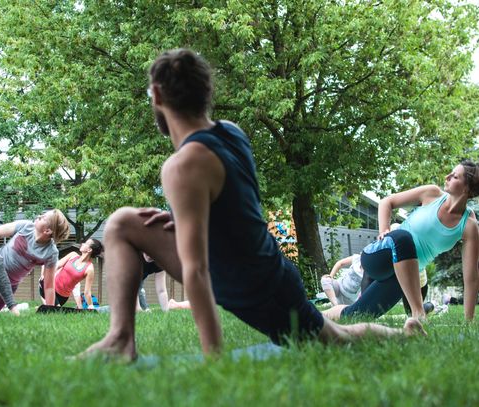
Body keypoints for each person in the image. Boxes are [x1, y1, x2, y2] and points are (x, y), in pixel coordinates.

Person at [79, 48, 423, 361]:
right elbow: (230, 207)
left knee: (335, 339)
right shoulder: (230, 131)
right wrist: (177, 218)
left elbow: (196, 271)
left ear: (156, 95)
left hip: (258, 286)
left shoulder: (182, 166)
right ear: (206, 93)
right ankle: (121, 339)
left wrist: (215, 359)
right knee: (123, 223)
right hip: (249, 267)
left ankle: (404, 336)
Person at [324, 161, 479, 321]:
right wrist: (384, 230)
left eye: (454, 176)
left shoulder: (468, 225)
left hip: (403, 278)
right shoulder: (432, 193)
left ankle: (317, 316)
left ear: (466, 188)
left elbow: (471, 277)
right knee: (403, 237)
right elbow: (387, 202)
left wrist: (469, 321)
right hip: (379, 256)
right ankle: (418, 313)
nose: (447, 177)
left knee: (357, 316)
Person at [0, 210, 70, 315]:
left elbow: (49, 286)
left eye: (43, 217)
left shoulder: (51, 252)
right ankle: (13, 307)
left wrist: (50, 311)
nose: (39, 216)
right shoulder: (26, 226)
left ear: (47, 231)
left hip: (8, 286)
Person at [38, 238, 103, 308]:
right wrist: (43, 273)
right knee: (54, 310)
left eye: (86, 243)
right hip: (49, 286)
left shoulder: (89, 269)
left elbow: (87, 291)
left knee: (50, 311)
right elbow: (56, 266)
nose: (82, 244)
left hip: (62, 297)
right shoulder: (73, 255)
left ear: (89, 250)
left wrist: (90, 305)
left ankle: (41, 308)